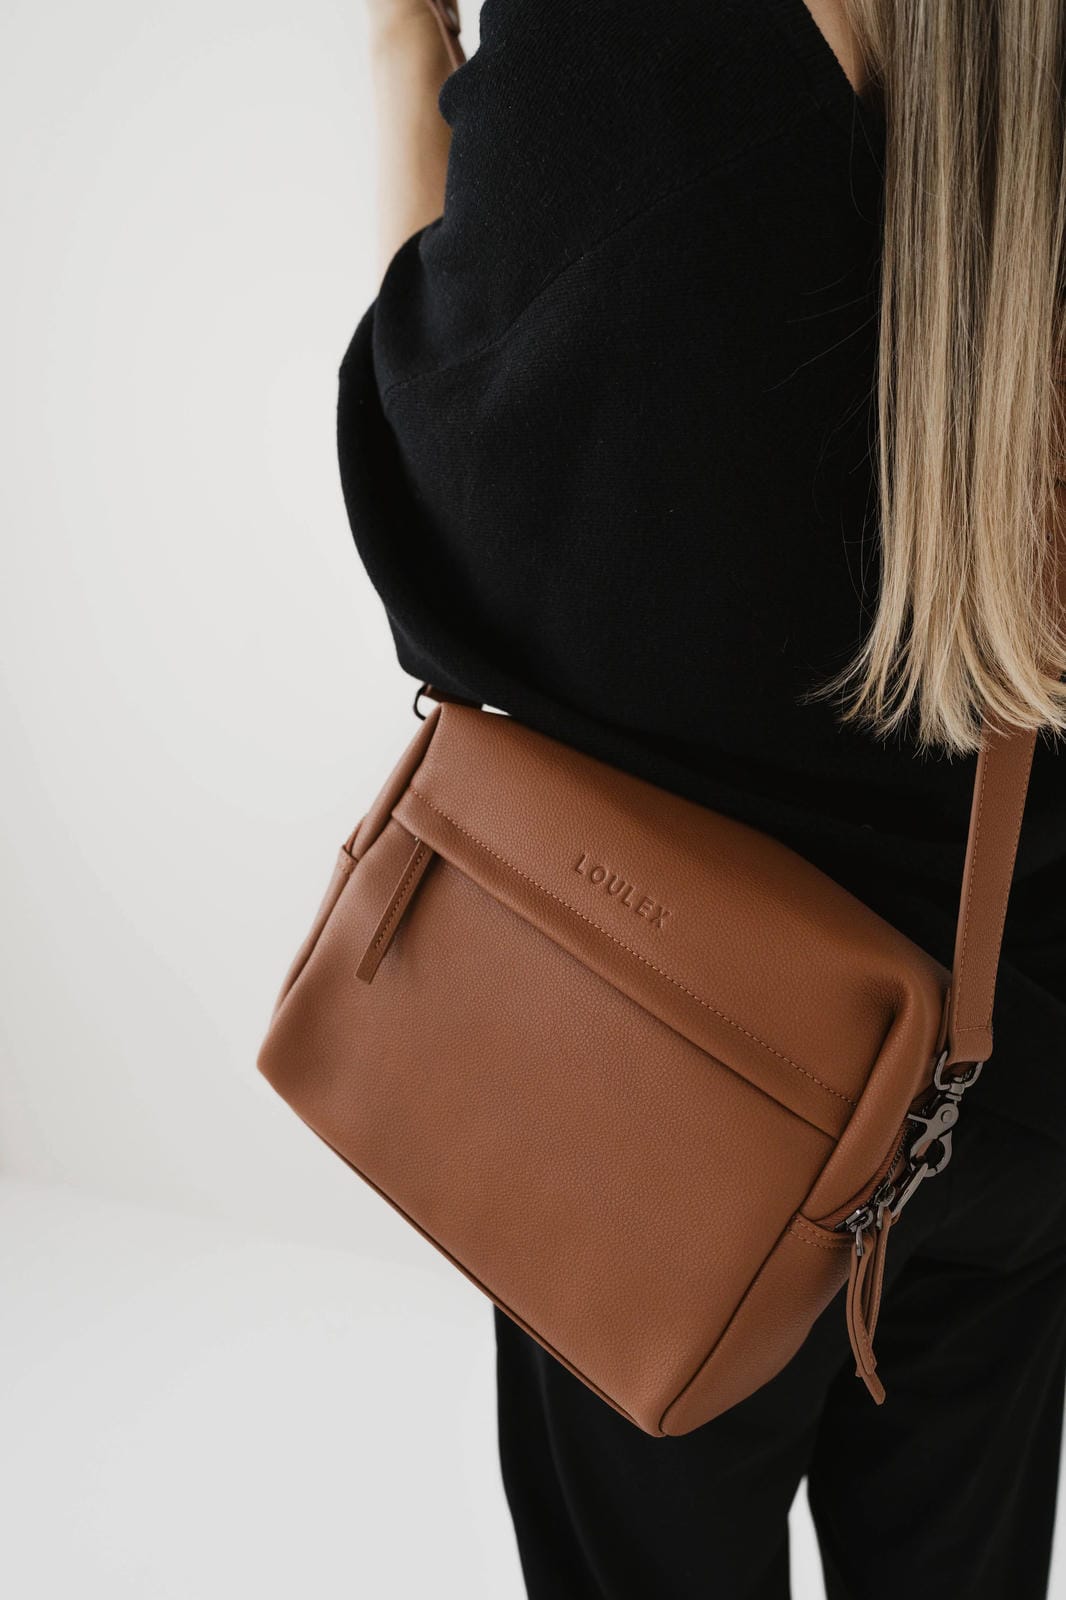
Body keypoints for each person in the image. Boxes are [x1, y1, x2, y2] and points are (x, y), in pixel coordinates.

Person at [339, 2, 1066, 1594]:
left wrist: (402, 47)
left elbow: (450, 546)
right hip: (1014, 1059)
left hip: (665, 1090)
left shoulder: (628, 36)